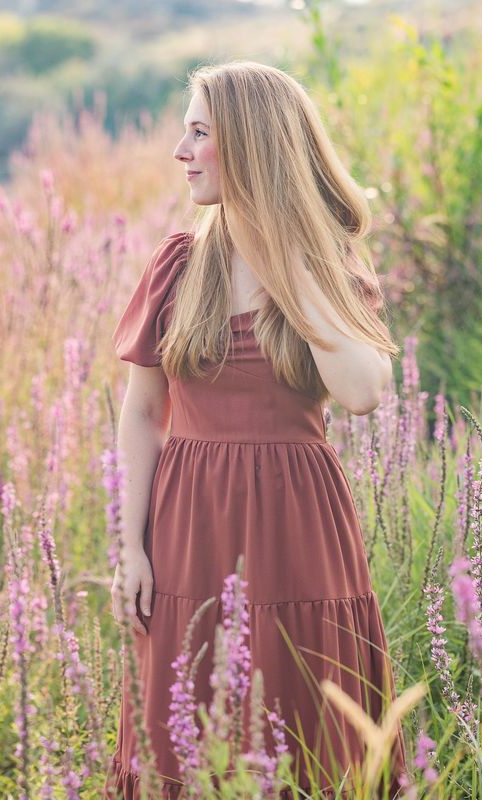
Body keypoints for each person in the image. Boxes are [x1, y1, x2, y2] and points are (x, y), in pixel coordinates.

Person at [105, 60, 407, 799]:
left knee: (302, 712)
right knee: (185, 717)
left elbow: (364, 392)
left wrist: (287, 252)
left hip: (297, 528)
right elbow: (143, 411)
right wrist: (130, 548)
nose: (180, 151)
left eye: (200, 132)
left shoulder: (325, 268)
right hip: (187, 527)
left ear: (251, 147)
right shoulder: (179, 265)